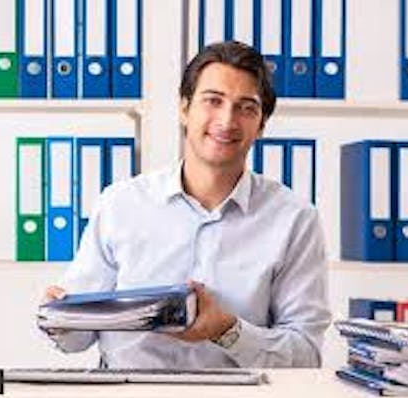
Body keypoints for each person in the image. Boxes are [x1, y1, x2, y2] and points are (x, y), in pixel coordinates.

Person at [43, 41, 331, 368]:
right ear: (184, 109)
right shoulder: (120, 205)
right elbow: (77, 339)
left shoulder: (295, 220)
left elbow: (306, 354)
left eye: (246, 107)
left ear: (261, 125)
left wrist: (227, 330)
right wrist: (59, 318)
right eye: (213, 101)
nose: (227, 120)